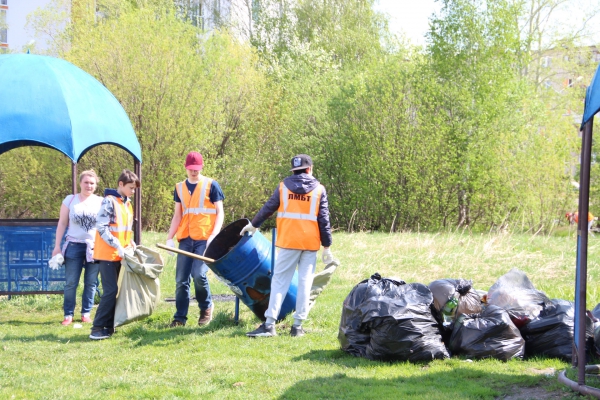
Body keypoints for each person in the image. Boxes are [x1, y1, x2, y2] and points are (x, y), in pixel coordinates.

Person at [242, 154, 334, 338]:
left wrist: (254, 225)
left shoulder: (283, 187)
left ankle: (269, 325)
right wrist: (327, 246)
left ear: (294, 170)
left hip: (288, 241)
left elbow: (268, 207)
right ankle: (297, 327)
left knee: (280, 282)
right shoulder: (319, 190)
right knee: (305, 283)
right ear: (309, 169)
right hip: (310, 243)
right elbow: (324, 220)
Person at [165, 151, 225, 327]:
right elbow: (178, 215)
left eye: (196, 169)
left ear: (202, 167)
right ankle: (180, 318)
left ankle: (206, 308)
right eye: (191, 169)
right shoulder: (179, 188)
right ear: (186, 167)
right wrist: (169, 237)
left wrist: (214, 235)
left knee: (198, 275)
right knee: (181, 280)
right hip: (185, 238)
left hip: (205, 239)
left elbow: (220, 212)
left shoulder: (212, 185)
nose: (193, 172)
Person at [89, 170, 139, 340]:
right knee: (110, 291)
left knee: (115, 291)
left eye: (134, 188)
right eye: (131, 188)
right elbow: (102, 228)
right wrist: (118, 245)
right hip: (107, 254)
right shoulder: (109, 202)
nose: (133, 191)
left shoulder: (127, 203)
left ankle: (109, 326)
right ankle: (97, 327)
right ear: (121, 184)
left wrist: (129, 241)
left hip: (119, 254)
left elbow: (124, 228)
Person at [52, 170, 103, 326]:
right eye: (86, 182)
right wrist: (57, 247)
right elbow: (61, 223)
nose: (89, 185)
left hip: (94, 248)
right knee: (71, 282)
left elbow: (106, 226)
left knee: (91, 282)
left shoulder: (102, 201)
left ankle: (86, 313)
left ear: (96, 185)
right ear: (80, 183)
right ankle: (68, 314)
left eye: (92, 183)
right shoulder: (70, 200)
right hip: (73, 246)